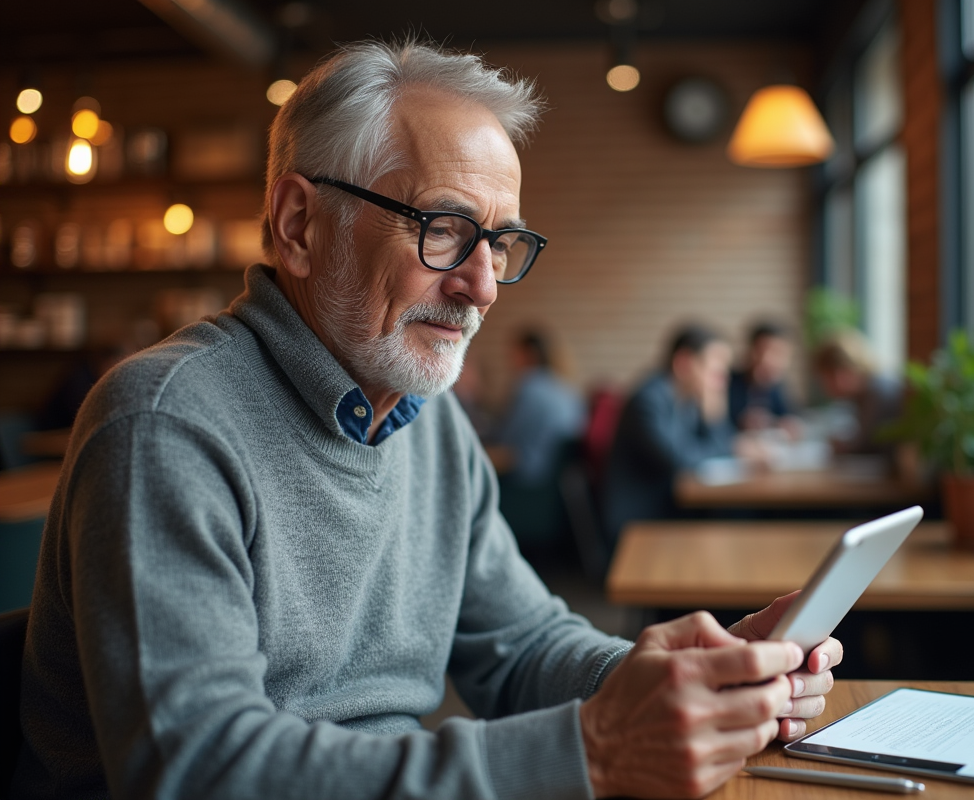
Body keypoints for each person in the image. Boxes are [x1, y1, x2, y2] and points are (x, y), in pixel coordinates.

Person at [14, 41, 843, 800]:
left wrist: (679, 679)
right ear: (300, 225)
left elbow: (521, 644)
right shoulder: (166, 424)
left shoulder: (431, 424)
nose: (483, 285)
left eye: (502, 242)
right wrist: (592, 750)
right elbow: (198, 772)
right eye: (445, 230)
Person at [603, 324, 750, 548]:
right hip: (642, 516)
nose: (721, 381)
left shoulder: (687, 399)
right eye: (715, 371)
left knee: (737, 516)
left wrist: (715, 417)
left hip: (669, 504)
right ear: (683, 363)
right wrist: (735, 447)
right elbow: (679, 459)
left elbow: (715, 445)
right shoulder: (648, 400)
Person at [493, 328, 585, 485]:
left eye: (514, 353)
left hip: (529, 479)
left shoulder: (528, 386)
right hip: (558, 483)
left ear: (528, 354)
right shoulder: (566, 387)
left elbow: (506, 440)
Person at [812, 328, 904, 458]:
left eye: (825, 378)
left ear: (839, 374)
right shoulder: (866, 392)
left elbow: (867, 446)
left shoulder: (878, 392)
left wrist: (842, 446)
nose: (824, 386)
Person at [728, 320, 802, 434]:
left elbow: (789, 417)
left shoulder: (778, 387)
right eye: (764, 351)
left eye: (780, 354)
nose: (770, 360)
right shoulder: (727, 383)